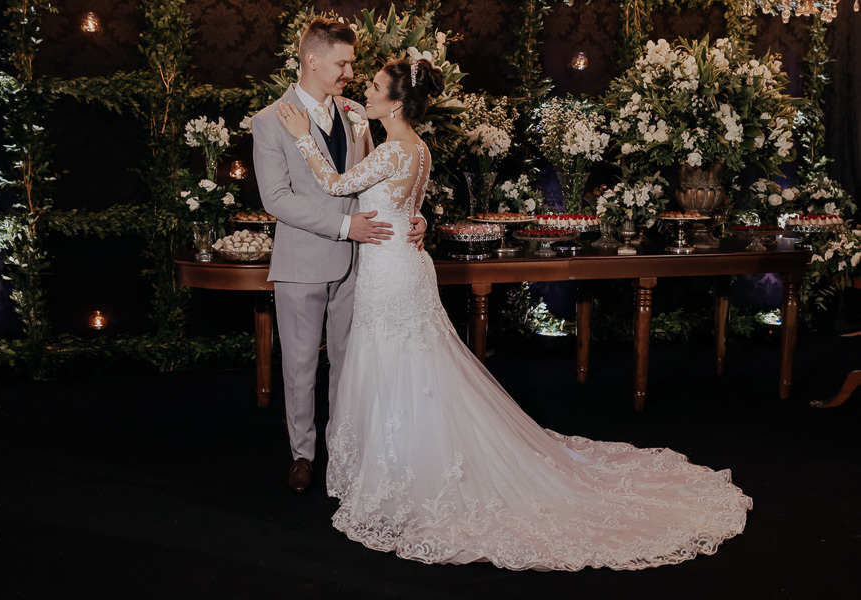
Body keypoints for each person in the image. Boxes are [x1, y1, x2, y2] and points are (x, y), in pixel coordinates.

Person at [277, 58, 753, 571]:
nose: (365, 89)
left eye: (372, 86)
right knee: (413, 367)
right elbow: (403, 202)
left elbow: (333, 185)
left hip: (389, 274)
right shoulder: (418, 148)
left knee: (397, 365)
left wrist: (304, 135)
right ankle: (402, 461)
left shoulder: (393, 150)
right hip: (404, 266)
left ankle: (408, 473)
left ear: (395, 102)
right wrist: (409, 205)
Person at [252, 19, 427, 493]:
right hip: (302, 262)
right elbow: (276, 198)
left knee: (352, 365)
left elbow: (383, 177)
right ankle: (302, 455)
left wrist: (415, 213)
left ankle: (344, 454)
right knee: (300, 366)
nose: (351, 71)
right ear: (312, 59)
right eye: (343, 62)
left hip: (363, 264)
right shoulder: (269, 121)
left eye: (352, 63)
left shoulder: (356, 112)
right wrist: (345, 225)